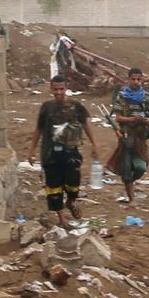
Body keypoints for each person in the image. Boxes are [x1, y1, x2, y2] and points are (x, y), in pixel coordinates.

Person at [29, 76, 97, 224]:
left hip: (71, 151)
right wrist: (32, 150)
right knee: (53, 186)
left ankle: (71, 202)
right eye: (55, 89)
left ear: (66, 89)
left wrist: (94, 145)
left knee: (73, 183)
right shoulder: (47, 107)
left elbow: (85, 124)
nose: (58, 92)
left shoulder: (76, 106)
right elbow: (39, 129)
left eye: (61, 89)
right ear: (51, 89)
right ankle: (62, 219)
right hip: (50, 152)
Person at [107, 67, 149, 206]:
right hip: (126, 136)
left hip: (140, 138)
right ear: (128, 79)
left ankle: (128, 182)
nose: (136, 82)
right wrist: (131, 120)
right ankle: (132, 198)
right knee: (127, 166)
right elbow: (117, 118)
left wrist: (146, 120)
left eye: (138, 79)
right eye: (133, 79)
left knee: (141, 167)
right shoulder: (122, 96)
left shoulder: (146, 97)